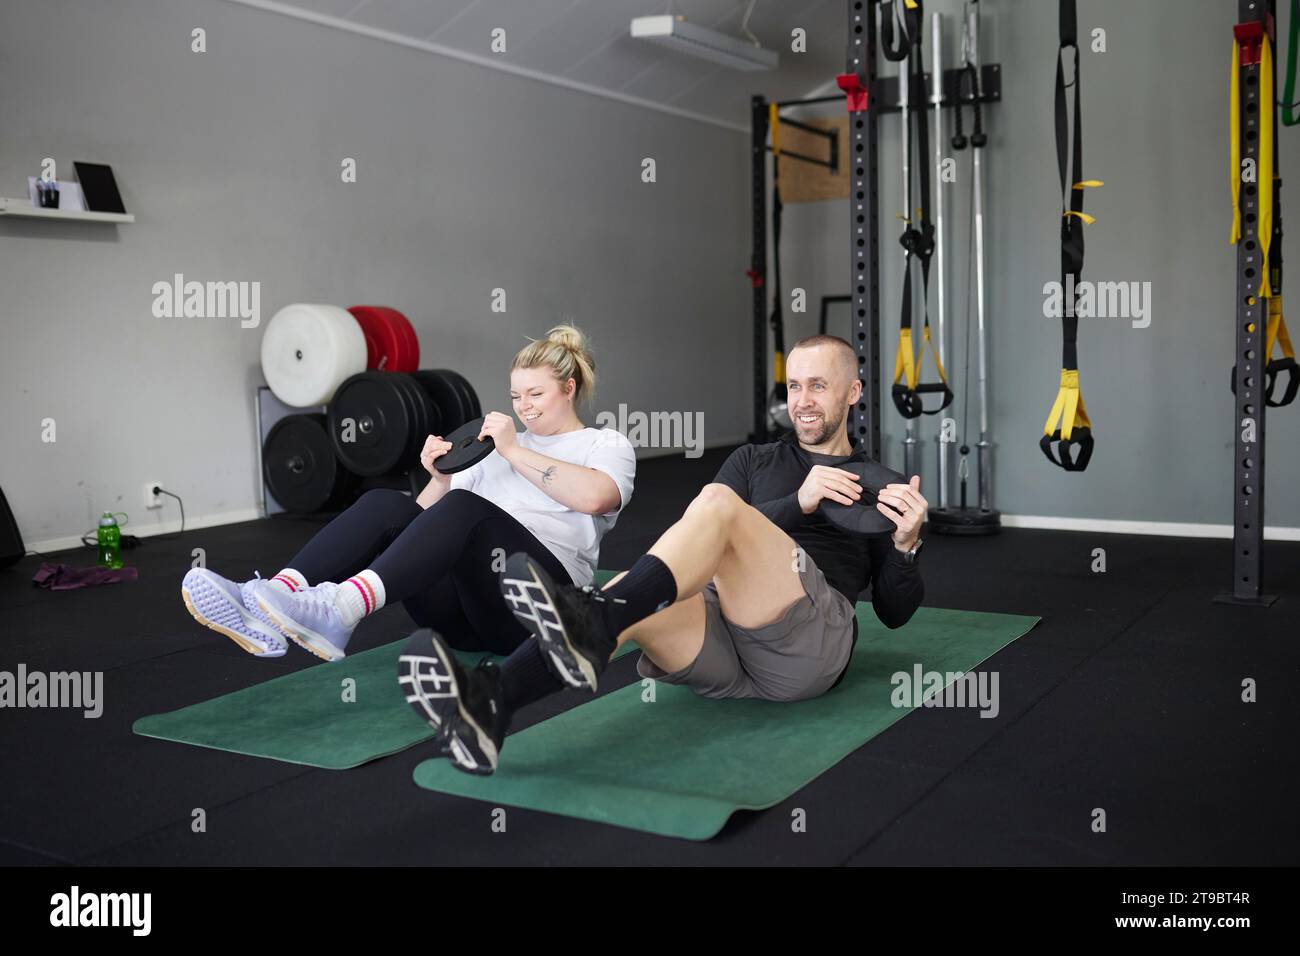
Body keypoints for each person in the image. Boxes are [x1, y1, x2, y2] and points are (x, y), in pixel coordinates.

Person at [400, 333, 926, 775]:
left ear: (853, 391)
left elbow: (893, 613)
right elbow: (696, 533)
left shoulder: (879, 486)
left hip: (804, 651)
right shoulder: (753, 459)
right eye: (793, 385)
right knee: (631, 584)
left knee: (711, 513)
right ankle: (491, 704)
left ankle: (591, 616)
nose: (803, 399)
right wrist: (799, 500)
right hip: (723, 655)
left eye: (818, 385)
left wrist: (905, 548)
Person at [181, 325, 635, 668]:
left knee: (466, 508)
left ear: (569, 388)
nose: (524, 406)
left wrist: (514, 451)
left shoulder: (604, 444)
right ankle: (271, 599)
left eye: (536, 393)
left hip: (534, 613)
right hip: (460, 622)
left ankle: (341, 609)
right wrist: (438, 478)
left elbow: (595, 498)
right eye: (516, 395)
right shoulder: (491, 448)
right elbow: (415, 536)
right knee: (387, 503)